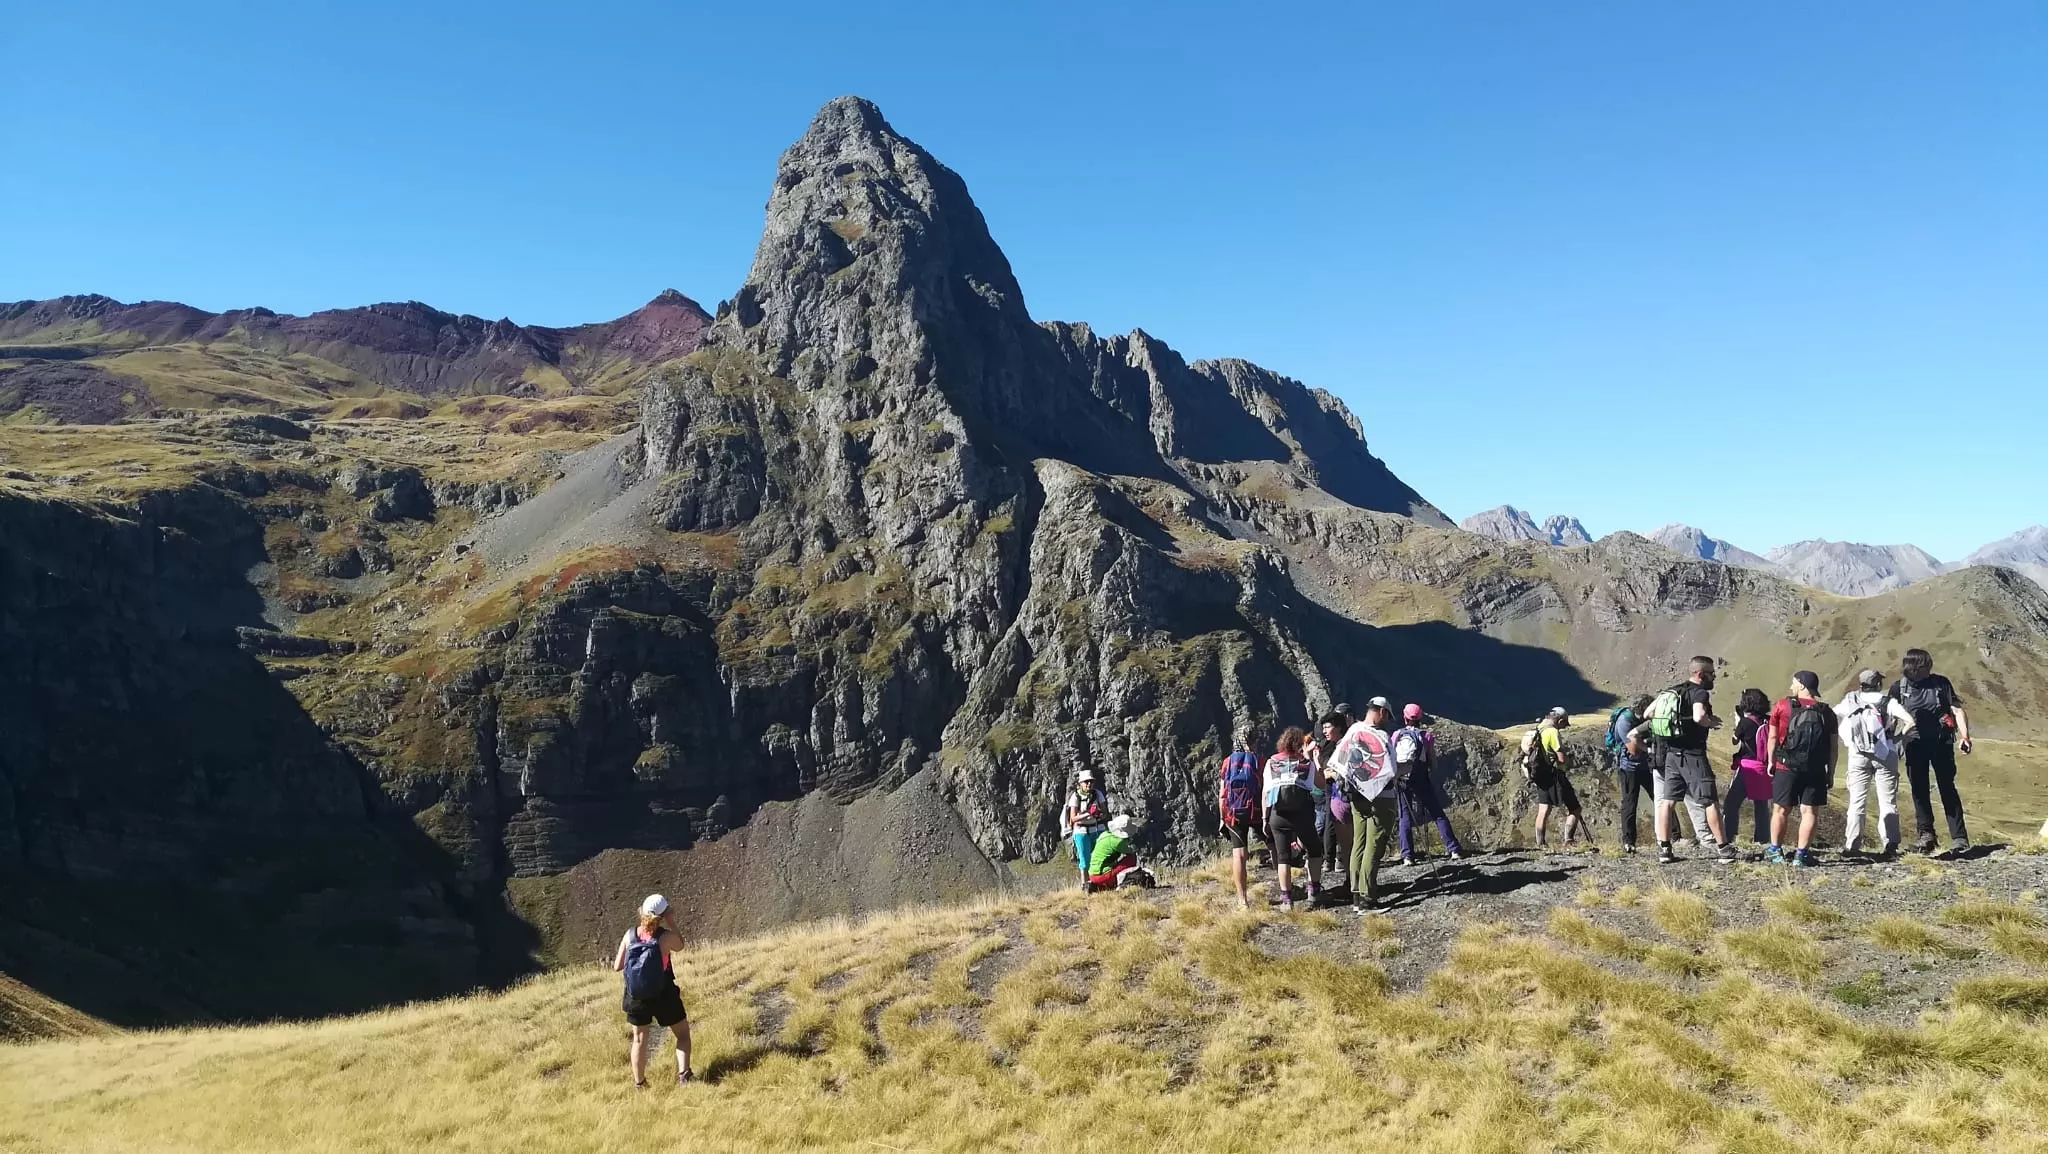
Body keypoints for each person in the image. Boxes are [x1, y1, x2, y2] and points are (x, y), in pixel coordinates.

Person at [1635, 656, 1739, 865]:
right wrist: (1709, 723)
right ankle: (1723, 848)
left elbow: (1648, 713)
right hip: (1693, 754)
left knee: (1668, 802)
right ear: (1700, 674)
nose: (1714, 677)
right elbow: (1699, 716)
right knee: (1709, 800)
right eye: (1711, 673)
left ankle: (1665, 849)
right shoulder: (1699, 692)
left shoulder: (1671, 691)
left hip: (1671, 754)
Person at [1893, 648, 1972, 856]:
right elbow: (1890, 716)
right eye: (1928, 664)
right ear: (1919, 667)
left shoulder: (1941, 683)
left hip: (1941, 743)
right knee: (1919, 790)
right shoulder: (1898, 688)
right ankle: (1926, 836)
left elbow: (1956, 709)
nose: (1931, 668)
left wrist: (1965, 737)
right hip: (1914, 744)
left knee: (1947, 787)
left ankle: (1959, 838)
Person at [612, 893, 692, 1088]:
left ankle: (640, 1084)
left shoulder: (630, 935)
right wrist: (672, 923)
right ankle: (684, 1076)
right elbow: (680, 945)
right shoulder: (665, 938)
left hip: (636, 996)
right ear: (662, 916)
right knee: (682, 1034)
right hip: (664, 993)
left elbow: (617, 966)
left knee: (639, 1039)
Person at [1835, 668, 1916, 858]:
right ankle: (1890, 845)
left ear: (1861, 684)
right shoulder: (1888, 702)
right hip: (1885, 752)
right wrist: (1896, 739)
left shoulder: (1851, 700)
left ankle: (1852, 845)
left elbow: (1834, 716)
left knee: (1856, 801)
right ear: (1879, 684)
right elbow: (1910, 721)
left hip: (1858, 753)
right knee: (1887, 801)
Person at [1330, 698, 1400, 913]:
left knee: (1358, 844)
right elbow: (1391, 770)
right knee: (1374, 845)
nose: (1387, 720)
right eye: (1386, 715)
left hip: (1356, 796)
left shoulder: (1353, 731)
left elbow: (1337, 763)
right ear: (1380, 711)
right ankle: (1368, 898)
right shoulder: (1381, 736)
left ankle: (1355, 895)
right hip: (1382, 797)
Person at [1761, 671, 1837, 867]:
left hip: (1786, 765)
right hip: (1816, 768)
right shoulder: (1827, 712)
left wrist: (1771, 761)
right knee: (1810, 812)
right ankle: (1801, 855)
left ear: (1802, 685)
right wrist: (1830, 772)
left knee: (1780, 810)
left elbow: (1772, 737)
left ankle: (1775, 852)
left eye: (1794, 683)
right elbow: (1833, 747)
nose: (1791, 687)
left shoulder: (1783, 706)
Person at [1393, 704, 1465, 865]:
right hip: (1421, 779)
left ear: (1404, 717)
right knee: (1437, 813)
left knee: (1404, 816)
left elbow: (1392, 758)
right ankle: (1453, 849)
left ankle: (1407, 856)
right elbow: (1433, 762)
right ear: (1420, 718)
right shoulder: (1426, 736)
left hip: (1402, 779)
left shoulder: (1397, 735)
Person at [1262, 727, 1325, 910]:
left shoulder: (1272, 762)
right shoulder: (1305, 763)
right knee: (1314, 850)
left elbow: (1266, 792)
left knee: (1283, 857)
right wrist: (1315, 760)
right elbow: (1321, 785)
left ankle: (1287, 900)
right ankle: (1313, 891)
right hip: (1302, 813)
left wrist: (1265, 819)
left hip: (1278, 814)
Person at [1523, 707, 1589, 850]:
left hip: (1540, 774)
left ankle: (1541, 844)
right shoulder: (1552, 732)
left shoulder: (1540, 727)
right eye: (1563, 723)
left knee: (1544, 809)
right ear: (1559, 720)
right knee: (1575, 808)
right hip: (1555, 775)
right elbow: (1561, 758)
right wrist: (1568, 761)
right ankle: (1569, 840)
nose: (1564, 726)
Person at [1217, 726, 1263, 910]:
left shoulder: (1228, 762)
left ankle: (1242, 900)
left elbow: (1222, 794)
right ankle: (1286, 891)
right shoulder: (1260, 760)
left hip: (1233, 813)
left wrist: (1222, 819)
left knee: (1239, 854)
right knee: (1274, 846)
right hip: (1257, 810)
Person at [1721, 688, 1773, 843]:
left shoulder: (1744, 723)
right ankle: (1762, 840)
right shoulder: (1768, 720)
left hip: (1747, 767)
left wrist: (1737, 725)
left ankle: (1728, 836)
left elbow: (1734, 740)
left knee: (1731, 803)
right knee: (1761, 805)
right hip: (1764, 767)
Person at [1308, 710, 1353, 878]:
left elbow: (1340, 773)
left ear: (1339, 727)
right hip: (1335, 796)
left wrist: (1324, 769)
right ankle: (1349, 879)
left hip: (1344, 798)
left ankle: (1352, 883)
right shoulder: (1331, 745)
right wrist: (1319, 765)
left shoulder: (1344, 746)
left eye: (1328, 727)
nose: (1324, 731)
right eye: (1323, 727)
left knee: (1348, 842)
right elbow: (1323, 777)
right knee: (1340, 836)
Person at [1611, 695, 1655, 854]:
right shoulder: (1625, 721)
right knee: (1630, 803)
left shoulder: (1642, 721)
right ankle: (1628, 841)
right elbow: (1634, 750)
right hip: (1629, 767)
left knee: (1661, 799)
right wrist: (1649, 745)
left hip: (1646, 765)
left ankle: (1674, 836)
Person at [1063, 770, 1109, 889]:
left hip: (1096, 829)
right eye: (1086, 782)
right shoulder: (1076, 797)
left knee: (1098, 856)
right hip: (1081, 832)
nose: (1089, 784)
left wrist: (1098, 814)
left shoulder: (1098, 794)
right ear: (1080, 784)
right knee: (1084, 859)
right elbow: (1073, 818)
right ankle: (1085, 885)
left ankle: (1097, 882)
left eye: (1091, 781)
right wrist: (1088, 813)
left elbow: (1105, 813)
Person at [1085, 814, 1141, 889]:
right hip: (1101, 876)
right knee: (1131, 858)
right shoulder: (1118, 842)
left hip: (1092, 874)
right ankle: (1121, 882)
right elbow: (1130, 851)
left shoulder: (1105, 834)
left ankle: (1102, 885)